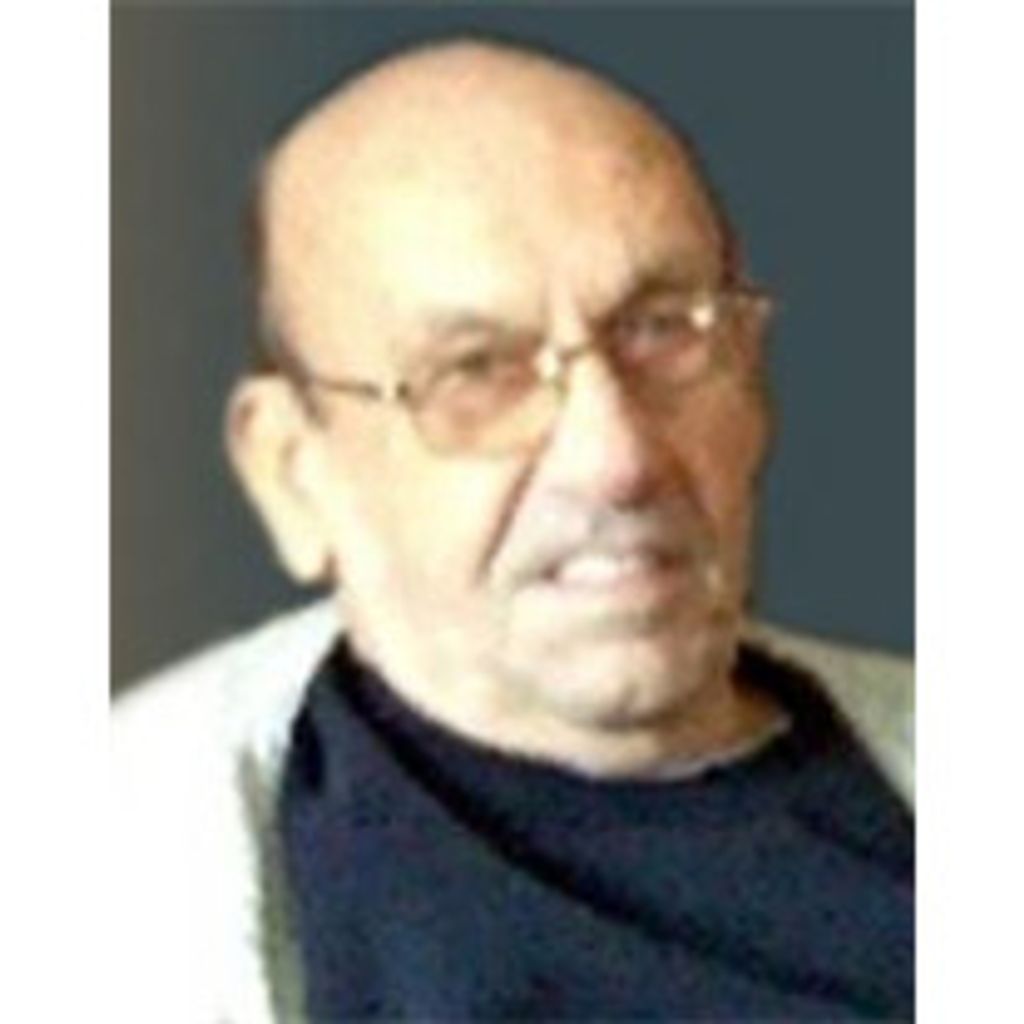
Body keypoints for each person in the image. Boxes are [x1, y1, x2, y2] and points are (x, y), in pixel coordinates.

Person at [113, 38, 913, 1023]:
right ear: (293, 472)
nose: (615, 458)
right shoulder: (101, 885)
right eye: (476, 371)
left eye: (661, 328)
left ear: (751, 371)